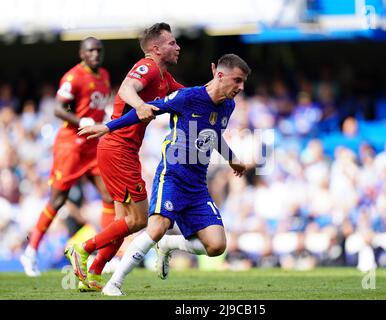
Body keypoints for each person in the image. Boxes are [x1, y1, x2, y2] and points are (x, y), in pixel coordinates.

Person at [78, 53, 250, 296]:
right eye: (237, 80)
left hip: (197, 186)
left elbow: (214, 135)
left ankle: (169, 245)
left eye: (243, 82)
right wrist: (108, 126)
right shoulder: (188, 97)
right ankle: (114, 283)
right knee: (157, 227)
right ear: (220, 75)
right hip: (172, 175)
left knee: (216, 246)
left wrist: (232, 159)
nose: (241, 87)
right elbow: (146, 109)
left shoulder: (228, 106)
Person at [64, 22, 183, 291]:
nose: (178, 47)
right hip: (118, 150)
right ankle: (82, 249)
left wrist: (215, 90)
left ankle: (94, 272)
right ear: (156, 48)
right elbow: (126, 89)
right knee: (139, 220)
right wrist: (140, 104)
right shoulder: (149, 66)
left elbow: (187, 94)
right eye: (172, 43)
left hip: (122, 150)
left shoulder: (164, 77)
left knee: (123, 223)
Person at [19, 37, 115, 280]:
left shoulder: (103, 75)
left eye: (99, 50)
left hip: (92, 145)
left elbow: (97, 107)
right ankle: (30, 252)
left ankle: (102, 255)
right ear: (82, 54)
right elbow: (59, 109)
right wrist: (80, 120)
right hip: (71, 145)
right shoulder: (73, 77)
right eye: (91, 50)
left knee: (108, 196)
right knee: (58, 200)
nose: (96, 54)